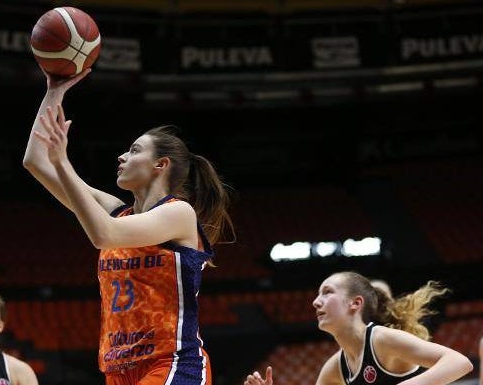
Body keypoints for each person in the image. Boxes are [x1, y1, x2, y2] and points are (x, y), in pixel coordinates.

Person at [23, 68, 234, 385]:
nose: (121, 156)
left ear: (160, 165)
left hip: (173, 363)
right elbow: (35, 162)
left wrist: (63, 162)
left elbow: (103, 234)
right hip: (118, 369)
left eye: (134, 150)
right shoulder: (118, 212)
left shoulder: (179, 214)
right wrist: (54, 91)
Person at [244, 271, 473, 385]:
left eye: (327, 292)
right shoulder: (336, 367)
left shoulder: (380, 340)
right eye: (317, 294)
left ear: (355, 303)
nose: (316, 301)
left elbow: (460, 362)